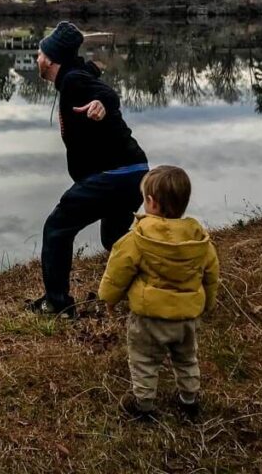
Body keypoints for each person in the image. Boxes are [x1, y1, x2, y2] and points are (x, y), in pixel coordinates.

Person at [25, 21, 148, 318]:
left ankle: (56, 304)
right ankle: (160, 279)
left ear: (52, 59)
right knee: (115, 240)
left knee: (57, 228)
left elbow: (107, 95)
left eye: (40, 53)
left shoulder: (73, 81)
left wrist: (100, 103)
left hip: (114, 176)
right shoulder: (75, 76)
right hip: (134, 171)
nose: (37, 59)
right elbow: (92, 74)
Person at [97, 165, 220, 421]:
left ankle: (143, 405)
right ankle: (189, 399)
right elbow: (211, 275)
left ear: (151, 203)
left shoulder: (137, 238)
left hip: (149, 319)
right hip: (187, 318)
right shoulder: (198, 240)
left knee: (144, 361)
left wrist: (108, 299)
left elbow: (117, 272)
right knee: (186, 359)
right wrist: (208, 303)